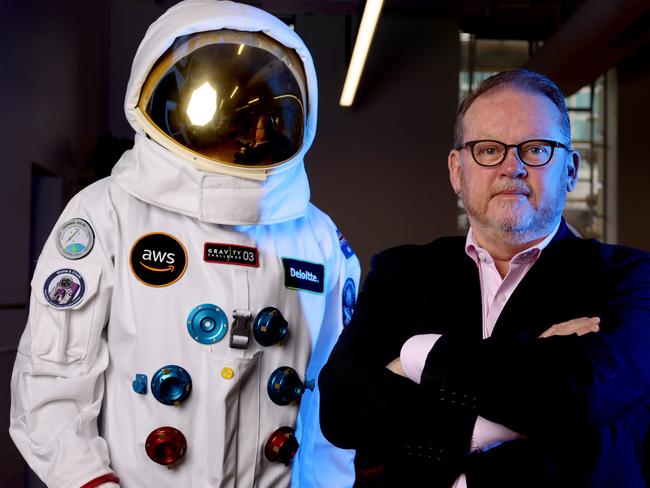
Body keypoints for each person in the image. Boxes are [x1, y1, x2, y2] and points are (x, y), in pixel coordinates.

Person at [10, 1, 359, 487]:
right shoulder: (111, 213)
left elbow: (331, 406)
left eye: (260, 107)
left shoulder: (317, 238)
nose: (242, 125)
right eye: (222, 100)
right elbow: (53, 382)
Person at [319, 69, 650, 487]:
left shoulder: (631, 279)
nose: (512, 167)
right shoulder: (401, 273)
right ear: (458, 171)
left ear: (570, 170)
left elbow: (581, 396)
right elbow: (341, 412)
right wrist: (533, 364)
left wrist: (415, 357)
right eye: (489, 149)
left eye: (536, 149)